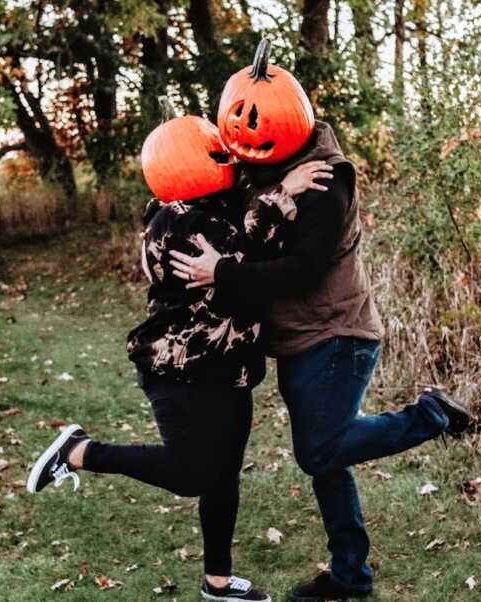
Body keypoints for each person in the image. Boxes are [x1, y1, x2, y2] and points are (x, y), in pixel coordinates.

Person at [170, 40, 476, 602]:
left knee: (319, 450)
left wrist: (224, 274)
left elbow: (303, 269)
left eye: (257, 123)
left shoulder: (326, 183)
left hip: (337, 335)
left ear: (291, 122)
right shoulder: (268, 168)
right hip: (301, 339)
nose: (243, 141)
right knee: (328, 459)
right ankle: (350, 578)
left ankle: (430, 416)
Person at [26, 108, 333, 602]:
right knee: (195, 473)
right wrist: (285, 193)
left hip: (228, 368)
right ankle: (78, 452)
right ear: (178, 165)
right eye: (215, 152)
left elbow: (257, 251)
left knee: (223, 477)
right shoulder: (174, 221)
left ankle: (217, 582)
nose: (226, 158)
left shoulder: (220, 205)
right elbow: (237, 258)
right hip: (180, 370)